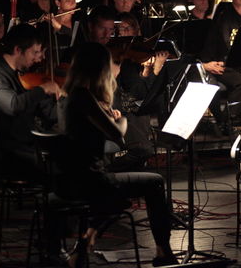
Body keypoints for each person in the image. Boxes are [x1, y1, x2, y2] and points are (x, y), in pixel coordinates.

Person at [54, 42, 177, 266]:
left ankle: (85, 244)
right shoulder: (84, 97)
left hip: (68, 179)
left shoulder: (67, 96)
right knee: (155, 182)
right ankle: (163, 251)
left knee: (121, 196)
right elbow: (118, 135)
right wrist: (119, 119)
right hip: (92, 180)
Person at [0, 24, 60, 182]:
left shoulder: (26, 77)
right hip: (8, 154)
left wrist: (68, 101)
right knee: (62, 169)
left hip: (30, 146)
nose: (38, 58)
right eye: (34, 52)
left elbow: (49, 114)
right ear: (18, 50)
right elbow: (13, 106)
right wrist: (43, 89)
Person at [109, 12, 168, 172]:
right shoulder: (123, 60)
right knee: (143, 150)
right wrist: (153, 71)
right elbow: (138, 92)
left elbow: (142, 92)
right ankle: (110, 170)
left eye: (126, 29)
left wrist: (148, 72)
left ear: (136, 32)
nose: (121, 33)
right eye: (118, 29)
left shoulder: (134, 58)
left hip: (133, 109)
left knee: (144, 149)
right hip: (123, 110)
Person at [199, 0, 241, 128]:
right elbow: (225, 44)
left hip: (240, 62)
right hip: (222, 63)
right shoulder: (223, 17)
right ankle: (227, 120)